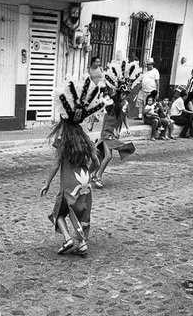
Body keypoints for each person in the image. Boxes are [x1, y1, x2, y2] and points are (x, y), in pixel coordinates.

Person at [40, 78, 103, 258]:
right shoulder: (85, 139)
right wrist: (89, 175)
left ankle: (68, 239)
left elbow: (55, 164)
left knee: (58, 214)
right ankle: (82, 243)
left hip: (68, 186)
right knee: (81, 214)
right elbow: (96, 162)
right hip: (85, 185)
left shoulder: (62, 140)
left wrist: (47, 184)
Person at [95, 60, 141, 188]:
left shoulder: (124, 104)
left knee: (102, 155)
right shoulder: (110, 103)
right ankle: (98, 177)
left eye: (126, 94)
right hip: (106, 133)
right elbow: (103, 116)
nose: (124, 96)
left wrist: (127, 128)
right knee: (108, 156)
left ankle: (94, 174)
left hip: (113, 133)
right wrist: (101, 132)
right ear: (118, 92)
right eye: (123, 93)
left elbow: (123, 117)